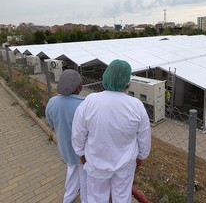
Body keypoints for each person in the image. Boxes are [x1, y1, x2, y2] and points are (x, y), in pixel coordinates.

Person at [72, 59, 151, 203]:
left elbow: (78, 133)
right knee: (122, 197)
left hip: (96, 163)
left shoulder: (90, 101)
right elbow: (144, 137)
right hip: (125, 165)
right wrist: (141, 157)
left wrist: (81, 153)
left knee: (96, 197)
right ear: (127, 81)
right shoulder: (136, 106)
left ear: (106, 76)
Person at [45, 69, 87, 203]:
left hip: (65, 149)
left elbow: (51, 122)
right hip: (83, 153)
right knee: (85, 177)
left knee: (72, 171)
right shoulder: (85, 104)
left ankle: (68, 198)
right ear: (78, 87)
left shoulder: (52, 102)